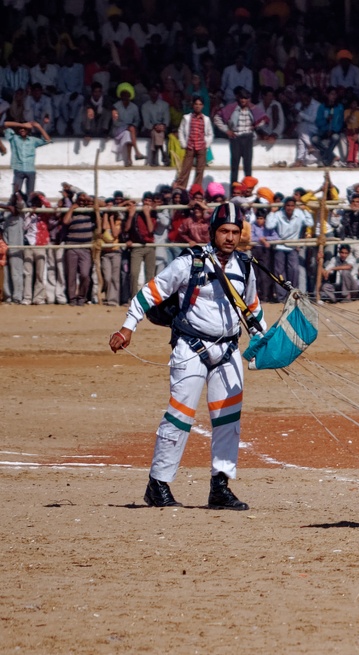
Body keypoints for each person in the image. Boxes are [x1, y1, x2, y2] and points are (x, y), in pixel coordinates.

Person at [109, 203, 263, 509]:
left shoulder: (245, 267)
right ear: (212, 231)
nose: (230, 238)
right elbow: (149, 293)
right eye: (224, 231)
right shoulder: (189, 262)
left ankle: (220, 488)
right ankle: (158, 484)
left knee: (228, 421)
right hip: (190, 348)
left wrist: (263, 339)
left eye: (235, 232)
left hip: (229, 350)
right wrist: (127, 328)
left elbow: (253, 309)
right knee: (179, 416)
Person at [213, 87, 267, 184]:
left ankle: (247, 189)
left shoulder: (253, 108)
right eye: (241, 98)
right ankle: (234, 189)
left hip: (248, 138)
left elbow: (263, 118)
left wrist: (255, 126)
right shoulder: (231, 108)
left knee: (248, 166)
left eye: (245, 98)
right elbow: (217, 117)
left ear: (248, 99)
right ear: (238, 98)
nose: (243, 100)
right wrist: (227, 131)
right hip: (236, 138)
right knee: (234, 166)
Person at [173, 96, 214, 190]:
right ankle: (181, 188)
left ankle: (196, 190)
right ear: (193, 105)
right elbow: (181, 130)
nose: (198, 106)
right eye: (196, 104)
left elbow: (210, 133)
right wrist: (183, 143)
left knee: (200, 170)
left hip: (201, 146)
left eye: (200, 104)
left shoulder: (206, 119)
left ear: (203, 106)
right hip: (190, 146)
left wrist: (206, 145)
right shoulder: (187, 117)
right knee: (185, 168)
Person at [4, 120, 51, 196]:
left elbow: (48, 140)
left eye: (24, 128)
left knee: (30, 195)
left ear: (28, 130)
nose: (22, 130)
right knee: (16, 193)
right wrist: (22, 124)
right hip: (18, 169)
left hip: (30, 170)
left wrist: (38, 126)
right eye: (21, 128)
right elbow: (5, 124)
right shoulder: (14, 138)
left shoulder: (33, 140)